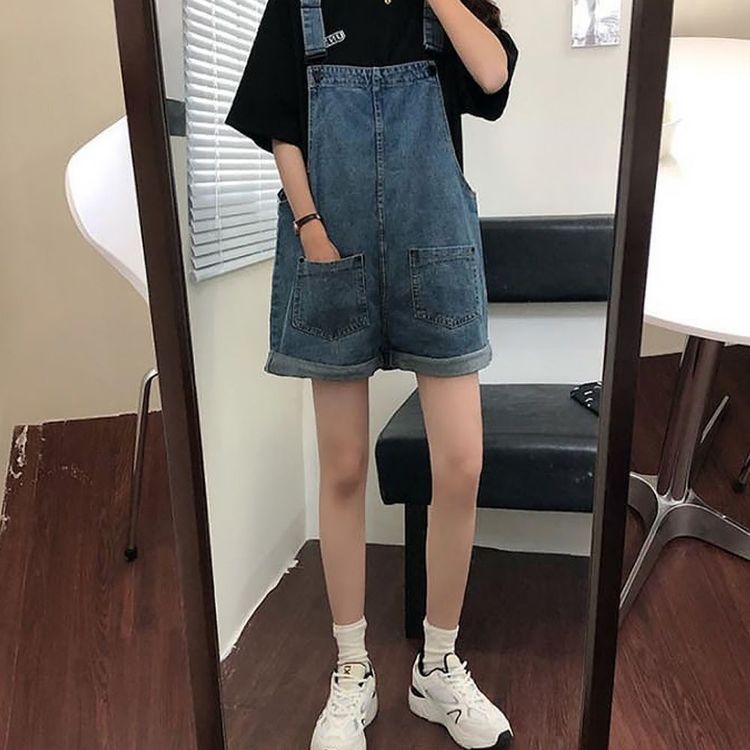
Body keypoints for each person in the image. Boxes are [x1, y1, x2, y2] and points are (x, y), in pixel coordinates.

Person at [226, 1, 518, 747]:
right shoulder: (302, 6)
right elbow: (282, 126)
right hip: (333, 253)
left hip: (437, 257)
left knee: (462, 464)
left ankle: (438, 665)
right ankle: (352, 669)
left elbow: (492, 75)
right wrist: (309, 229)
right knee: (345, 467)